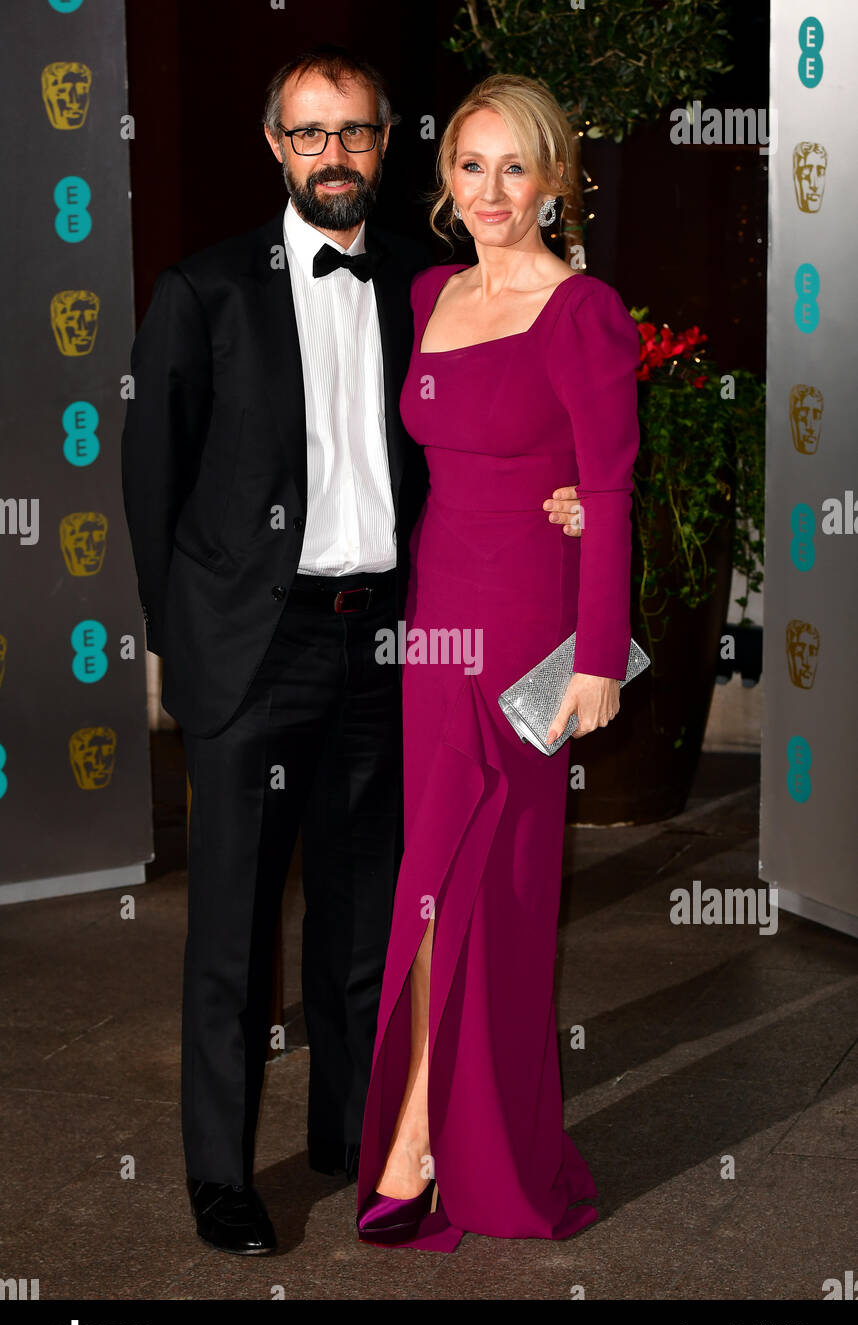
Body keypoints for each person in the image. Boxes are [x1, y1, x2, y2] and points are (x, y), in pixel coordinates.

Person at [121, 46, 583, 1256]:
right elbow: (150, 483)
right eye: (311, 134)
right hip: (249, 654)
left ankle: (353, 1132)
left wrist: (570, 497)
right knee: (232, 933)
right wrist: (186, 653)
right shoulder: (203, 290)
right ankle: (222, 1175)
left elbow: (496, 430)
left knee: (372, 918)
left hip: (391, 644)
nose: (336, 156)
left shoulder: (425, 292)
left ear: (387, 147)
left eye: (359, 134)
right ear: (277, 147)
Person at [357, 73, 641, 1250]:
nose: (489, 191)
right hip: (436, 630)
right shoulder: (428, 291)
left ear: (555, 181)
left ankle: (429, 1137)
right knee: (431, 877)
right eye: (470, 167)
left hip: (531, 636)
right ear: (445, 179)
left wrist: (596, 656)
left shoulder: (585, 312)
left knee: (498, 892)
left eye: (513, 168)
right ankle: (430, 1125)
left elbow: (612, 487)